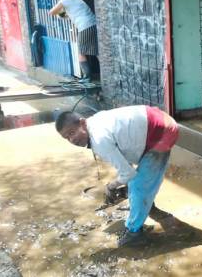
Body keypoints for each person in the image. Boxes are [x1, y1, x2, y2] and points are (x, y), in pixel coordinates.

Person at [55, 105, 179, 246]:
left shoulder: (99, 139)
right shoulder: (94, 122)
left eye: (72, 133)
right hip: (155, 120)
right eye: (66, 138)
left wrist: (111, 186)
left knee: (139, 186)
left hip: (162, 132)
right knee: (138, 180)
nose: (71, 140)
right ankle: (147, 206)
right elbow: (125, 166)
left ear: (83, 123)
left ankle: (134, 233)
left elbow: (128, 173)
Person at [48, 0, 98, 81]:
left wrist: (59, 10)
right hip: (94, 24)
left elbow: (51, 12)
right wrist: (62, 13)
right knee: (97, 51)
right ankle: (107, 74)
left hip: (85, 26)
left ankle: (87, 77)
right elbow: (68, 15)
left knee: (80, 52)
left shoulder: (64, 0)